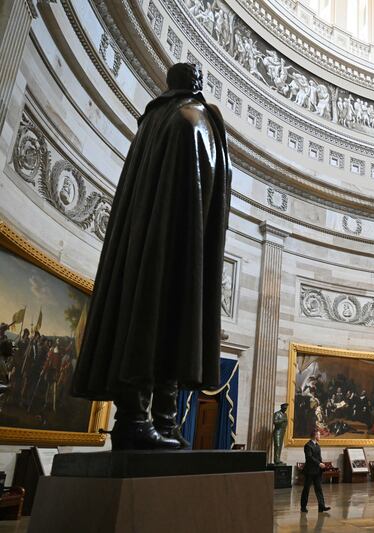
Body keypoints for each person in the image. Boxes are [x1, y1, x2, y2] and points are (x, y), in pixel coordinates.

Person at [71, 62, 231, 450]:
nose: (198, 83)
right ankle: (138, 419)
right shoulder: (188, 119)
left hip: (163, 241)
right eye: (195, 79)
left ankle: (162, 419)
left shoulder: (157, 121)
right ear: (191, 85)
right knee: (159, 317)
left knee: (171, 320)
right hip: (173, 240)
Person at [301, 430, 331, 513]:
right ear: (314, 436)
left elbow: (319, 458)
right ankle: (303, 507)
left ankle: (321, 506)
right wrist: (319, 464)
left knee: (319, 489)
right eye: (319, 435)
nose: (320, 436)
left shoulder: (317, 446)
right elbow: (309, 457)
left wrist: (322, 465)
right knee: (306, 489)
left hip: (317, 471)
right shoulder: (308, 445)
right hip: (309, 471)